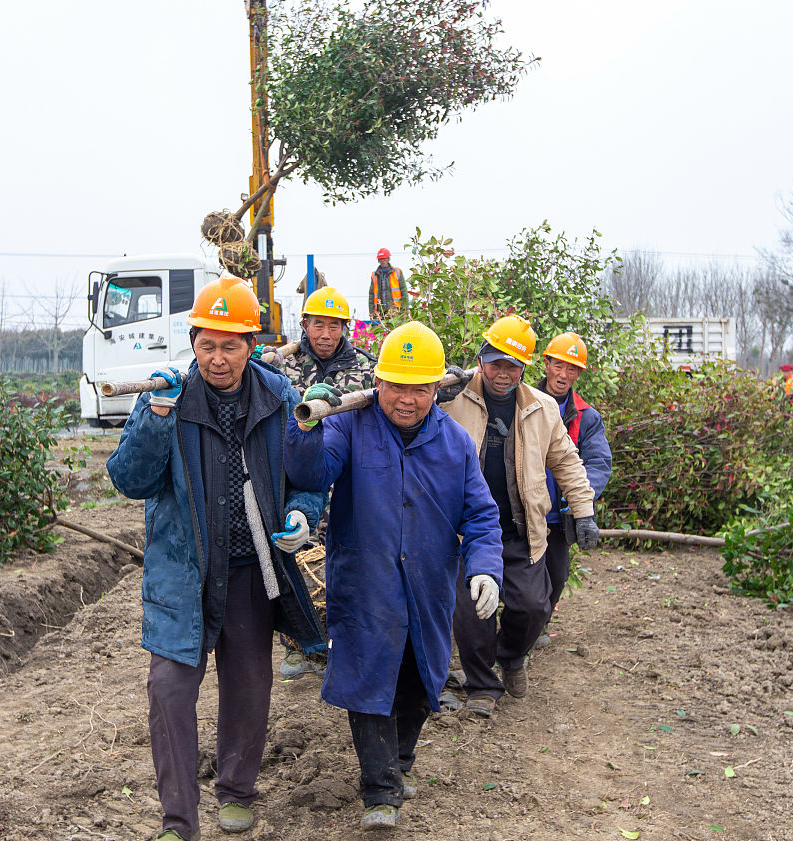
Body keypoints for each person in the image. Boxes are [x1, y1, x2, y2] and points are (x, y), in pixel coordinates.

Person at [106, 276, 327, 841]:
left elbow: (307, 478)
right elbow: (130, 481)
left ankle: (237, 792)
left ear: (251, 345)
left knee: (249, 684)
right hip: (183, 572)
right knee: (170, 690)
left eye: (231, 345)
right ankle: (178, 822)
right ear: (193, 340)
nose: (218, 357)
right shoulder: (167, 398)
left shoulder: (278, 398)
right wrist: (155, 418)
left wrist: (301, 516)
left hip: (252, 568)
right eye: (208, 344)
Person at [284, 321, 504, 831]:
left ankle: (398, 764)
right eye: (397, 386)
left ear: (436, 389)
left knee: (417, 683)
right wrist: (306, 430)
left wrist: (486, 568)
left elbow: (481, 516)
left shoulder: (453, 443)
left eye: (420, 388)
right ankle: (380, 791)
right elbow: (312, 474)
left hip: (427, 587)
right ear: (378, 382)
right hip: (366, 583)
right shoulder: (348, 425)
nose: (407, 399)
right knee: (367, 682)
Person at [438, 316, 600, 717]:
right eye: (495, 363)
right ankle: (482, 686)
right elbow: (408, 404)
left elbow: (567, 461)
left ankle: (510, 658)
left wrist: (584, 512)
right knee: (473, 614)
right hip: (467, 532)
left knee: (533, 606)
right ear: (481, 358)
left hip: (520, 528)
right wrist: (438, 389)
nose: (503, 373)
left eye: (512, 365)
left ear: (525, 367)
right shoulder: (453, 397)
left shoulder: (542, 408)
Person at [277, 285, 377, 678]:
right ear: (305, 324)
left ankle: (338, 643)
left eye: (334, 326)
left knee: (341, 563)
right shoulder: (282, 366)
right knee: (292, 558)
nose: (325, 333)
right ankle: (296, 645)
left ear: (344, 328)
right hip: (292, 476)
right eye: (318, 324)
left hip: (343, 481)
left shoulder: (365, 369)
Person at [534, 331, 612, 645]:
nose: (563, 374)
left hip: (559, 517)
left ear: (578, 374)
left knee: (557, 578)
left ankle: (537, 625)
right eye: (559, 365)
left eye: (572, 369)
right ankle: (519, 632)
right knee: (520, 578)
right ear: (547, 363)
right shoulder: (520, 400)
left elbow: (597, 463)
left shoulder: (586, 417)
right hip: (523, 511)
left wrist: (581, 505)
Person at [369, 247, 405, 320]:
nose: (383, 261)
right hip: (379, 312)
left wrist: (405, 311)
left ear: (388, 259)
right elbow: (371, 295)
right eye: (381, 259)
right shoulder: (374, 275)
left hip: (395, 310)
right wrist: (371, 312)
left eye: (384, 258)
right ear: (378, 260)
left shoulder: (397, 272)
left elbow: (404, 291)